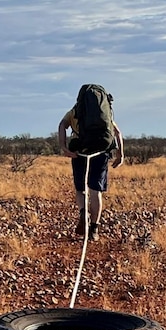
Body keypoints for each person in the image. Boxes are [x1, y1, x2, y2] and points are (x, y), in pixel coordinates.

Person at [57, 87, 124, 241]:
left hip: (79, 152)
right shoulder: (104, 114)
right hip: (100, 153)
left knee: (80, 190)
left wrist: (64, 147)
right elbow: (117, 133)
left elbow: (62, 125)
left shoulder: (75, 111)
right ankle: (94, 229)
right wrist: (121, 154)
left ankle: (83, 212)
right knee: (96, 191)